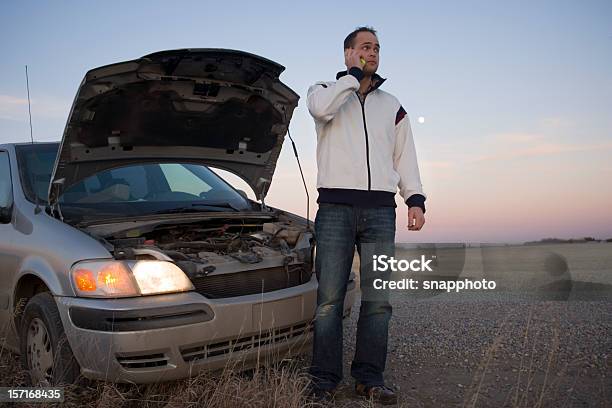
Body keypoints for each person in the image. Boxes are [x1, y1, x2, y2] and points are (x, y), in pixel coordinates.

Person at [306, 26, 427, 405]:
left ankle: (369, 379)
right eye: (364, 47)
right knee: (329, 300)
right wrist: (352, 80)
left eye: (375, 48)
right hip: (335, 209)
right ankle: (324, 382)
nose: (371, 53)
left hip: (379, 211)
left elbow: (404, 156)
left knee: (378, 301)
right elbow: (320, 111)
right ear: (347, 54)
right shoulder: (324, 91)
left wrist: (415, 198)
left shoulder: (392, 105)